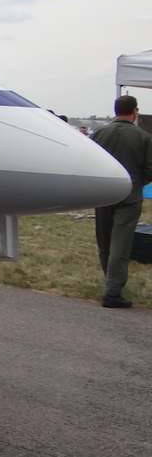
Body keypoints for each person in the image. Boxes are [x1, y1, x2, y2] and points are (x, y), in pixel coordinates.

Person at [91, 95, 152, 308]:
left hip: (104, 193)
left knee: (104, 242)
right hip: (130, 194)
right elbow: (149, 169)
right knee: (121, 244)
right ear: (134, 111)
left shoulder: (100, 133)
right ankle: (113, 291)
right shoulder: (143, 136)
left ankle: (110, 281)